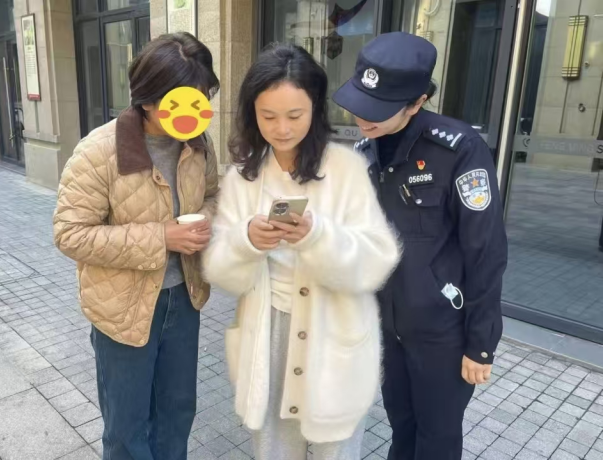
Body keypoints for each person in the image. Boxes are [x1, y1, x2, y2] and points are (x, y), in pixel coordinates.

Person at [203, 44, 400, 461]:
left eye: (295, 115)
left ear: (315, 109)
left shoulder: (345, 168)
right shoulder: (243, 177)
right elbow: (219, 269)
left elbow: (378, 259)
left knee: (335, 450)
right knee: (274, 449)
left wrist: (317, 236)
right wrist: (246, 240)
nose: (282, 129)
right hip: (269, 333)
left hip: (334, 331)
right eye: (268, 116)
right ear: (251, 113)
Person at [332, 32, 509, 460]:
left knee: (437, 438)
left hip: (442, 333)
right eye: (359, 101)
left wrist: (480, 343)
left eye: (378, 108)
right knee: (401, 426)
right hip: (388, 327)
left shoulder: (459, 150)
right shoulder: (365, 149)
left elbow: (486, 252)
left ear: (417, 102)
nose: (361, 117)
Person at [53, 32, 220, 461]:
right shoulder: (98, 151)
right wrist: (161, 237)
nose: (193, 112)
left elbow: (214, 195)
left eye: (202, 98)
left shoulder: (198, 143)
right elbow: (70, 233)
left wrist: (206, 219)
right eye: (181, 100)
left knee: (176, 413)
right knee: (127, 429)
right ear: (147, 99)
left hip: (184, 298)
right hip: (122, 309)